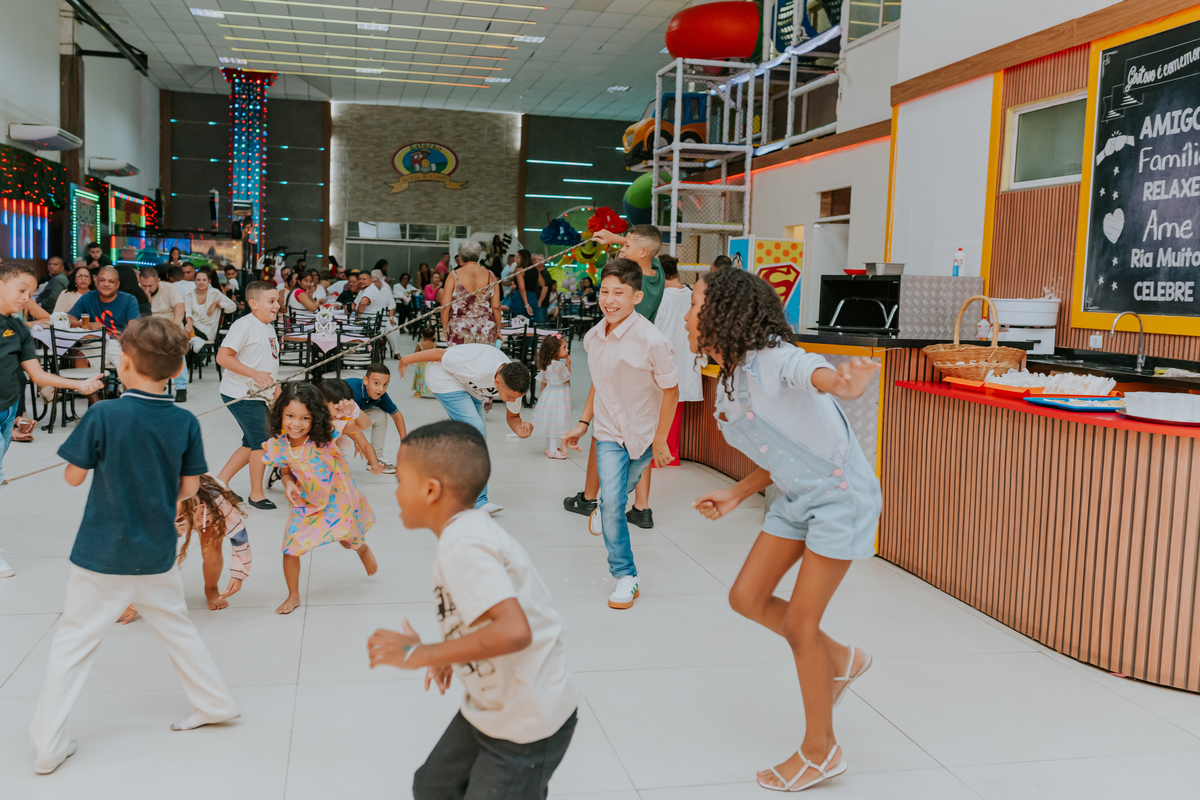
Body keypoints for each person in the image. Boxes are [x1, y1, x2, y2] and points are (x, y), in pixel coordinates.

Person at [686, 268, 880, 792]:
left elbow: (805, 368)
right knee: (746, 597)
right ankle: (840, 658)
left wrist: (840, 382)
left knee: (799, 625)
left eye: (694, 304)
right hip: (796, 497)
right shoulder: (728, 382)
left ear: (722, 314)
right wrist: (736, 492)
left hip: (839, 498)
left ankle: (821, 751)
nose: (686, 316)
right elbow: (782, 448)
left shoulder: (770, 358)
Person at [29, 317, 239, 774]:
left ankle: (47, 743)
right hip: (156, 553)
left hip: (100, 553)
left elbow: (72, 476)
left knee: (73, 644)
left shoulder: (104, 414)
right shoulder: (184, 421)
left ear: (123, 363)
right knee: (178, 631)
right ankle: (215, 704)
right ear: (178, 369)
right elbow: (187, 490)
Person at [368, 420, 581, 800]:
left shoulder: (463, 544)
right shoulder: (464, 533)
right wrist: (450, 654)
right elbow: (485, 615)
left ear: (431, 489)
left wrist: (421, 654)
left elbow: (514, 631)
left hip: (526, 722)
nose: (396, 491)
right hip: (493, 705)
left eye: (401, 480)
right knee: (435, 786)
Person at [560, 258, 679, 610]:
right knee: (612, 500)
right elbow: (600, 384)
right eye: (604, 292)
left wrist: (660, 440)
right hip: (610, 431)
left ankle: (608, 509)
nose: (609, 300)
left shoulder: (653, 341)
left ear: (637, 296)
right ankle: (626, 575)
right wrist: (583, 424)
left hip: (644, 433)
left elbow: (671, 391)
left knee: (618, 493)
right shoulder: (594, 337)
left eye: (619, 293)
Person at [563, 225, 667, 522]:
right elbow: (647, 249)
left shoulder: (635, 285)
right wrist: (618, 240)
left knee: (605, 430)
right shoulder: (655, 271)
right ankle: (641, 507)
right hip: (643, 366)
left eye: (627, 247)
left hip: (624, 351)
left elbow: (639, 250)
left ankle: (589, 498)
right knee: (640, 438)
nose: (622, 249)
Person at [0, 262, 103, 546]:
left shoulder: (18, 329)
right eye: (21, 290)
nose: (26, 298)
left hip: (7, 411)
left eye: (30, 293)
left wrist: (79, 385)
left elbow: (37, 374)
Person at [263, 382, 377, 615]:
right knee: (290, 548)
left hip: (338, 499)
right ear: (280, 414)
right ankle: (293, 595)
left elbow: (364, 424)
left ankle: (362, 548)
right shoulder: (280, 445)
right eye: (290, 416)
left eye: (305, 418)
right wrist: (288, 485)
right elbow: (285, 473)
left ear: (316, 417)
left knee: (347, 539)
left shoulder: (326, 434)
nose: (296, 423)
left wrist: (353, 410)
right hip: (305, 503)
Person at [398, 343, 533, 515]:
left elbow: (513, 417)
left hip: (470, 386)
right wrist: (406, 359)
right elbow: (439, 353)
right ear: (497, 382)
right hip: (443, 377)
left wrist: (520, 431)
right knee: (476, 430)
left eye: (517, 398)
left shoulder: (515, 384)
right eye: (511, 397)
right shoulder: (477, 369)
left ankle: (471, 494)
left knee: (477, 438)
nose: (513, 401)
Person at [215, 281, 281, 511]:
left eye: (278, 300)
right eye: (271, 301)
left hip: (261, 394)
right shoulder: (245, 325)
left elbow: (267, 360)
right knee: (262, 444)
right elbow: (223, 357)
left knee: (250, 442)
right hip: (242, 395)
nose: (277, 305)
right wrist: (254, 374)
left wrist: (275, 387)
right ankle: (256, 494)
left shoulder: (268, 326)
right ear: (253, 304)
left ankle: (219, 482)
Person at [653, 254, 704, 465]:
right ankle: (671, 455)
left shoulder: (660, 299)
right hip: (689, 364)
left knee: (660, 412)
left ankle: (659, 457)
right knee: (675, 412)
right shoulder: (692, 295)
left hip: (665, 364)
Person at [139, 266, 189, 402]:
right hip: (149, 326)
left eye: (150, 285)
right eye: (144, 285)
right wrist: (146, 301)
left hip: (170, 324)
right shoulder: (138, 290)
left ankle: (181, 388)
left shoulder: (169, 288)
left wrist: (174, 326)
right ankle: (155, 385)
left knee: (176, 350)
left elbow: (180, 306)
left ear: (158, 281)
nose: (147, 289)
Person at [346, 363, 407, 473]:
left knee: (380, 415)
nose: (381, 389)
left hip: (353, 416)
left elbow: (397, 415)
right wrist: (357, 440)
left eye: (385, 384)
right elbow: (343, 420)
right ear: (365, 380)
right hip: (334, 418)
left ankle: (376, 458)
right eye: (376, 383)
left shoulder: (380, 394)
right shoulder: (353, 392)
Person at [441, 239, 501, 345]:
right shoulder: (491, 275)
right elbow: (496, 307)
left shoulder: (454, 275)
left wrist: (445, 329)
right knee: (483, 359)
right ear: (478, 255)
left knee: (461, 360)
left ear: (461, 256)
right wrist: (498, 330)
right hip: (485, 326)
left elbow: (445, 306)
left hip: (460, 327)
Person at [68, 265, 141, 337]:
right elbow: (68, 320)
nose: (106, 284)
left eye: (111, 281)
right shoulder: (88, 297)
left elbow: (134, 327)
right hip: (94, 344)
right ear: (96, 282)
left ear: (117, 285)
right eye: (102, 280)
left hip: (119, 344)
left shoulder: (129, 300)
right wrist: (87, 324)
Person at [531, 333, 571, 460]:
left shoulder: (547, 365)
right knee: (555, 424)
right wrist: (568, 364)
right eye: (564, 347)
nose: (567, 350)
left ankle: (549, 448)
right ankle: (553, 450)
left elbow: (544, 383)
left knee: (550, 423)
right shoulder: (560, 366)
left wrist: (543, 400)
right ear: (555, 351)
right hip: (558, 399)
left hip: (548, 398)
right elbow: (567, 380)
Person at [184, 267, 237, 353]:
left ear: (209, 281)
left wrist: (217, 304)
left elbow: (233, 306)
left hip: (208, 331)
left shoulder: (214, 293)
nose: (201, 282)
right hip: (192, 328)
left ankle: (194, 341)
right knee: (180, 323)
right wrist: (189, 323)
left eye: (204, 280)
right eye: (198, 280)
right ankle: (194, 340)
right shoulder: (189, 295)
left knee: (181, 332)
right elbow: (188, 312)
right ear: (194, 281)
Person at [502, 249, 543, 322]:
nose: (515, 260)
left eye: (517, 258)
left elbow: (522, 288)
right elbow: (542, 283)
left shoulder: (520, 270)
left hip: (520, 299)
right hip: (533, 298)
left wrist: (526, 304)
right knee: (531, 324)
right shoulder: (534, 269)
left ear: (523, 259)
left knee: (518, 323)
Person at [411, 325, 436, 398]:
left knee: (420, 377)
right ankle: (434, 391)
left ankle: (418, 392)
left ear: (422, 335)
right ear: (433, 336)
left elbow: (415, 354)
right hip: (431, 364)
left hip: (421, 364)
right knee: (431, 377)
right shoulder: (434, 345)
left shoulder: (420, 344)